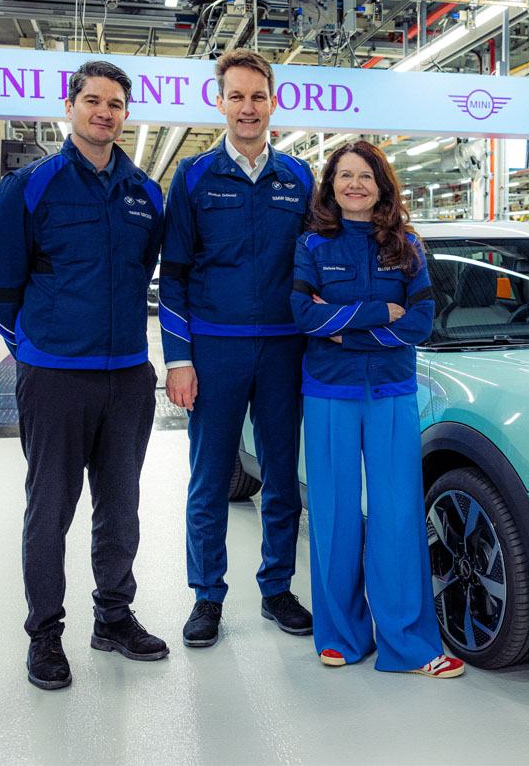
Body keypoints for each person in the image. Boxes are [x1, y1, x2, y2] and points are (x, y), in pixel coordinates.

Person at [0, 60, 168, 691]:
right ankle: (45, 634)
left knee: (120, 506)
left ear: (126, 114)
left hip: (127, 376)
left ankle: (113, 618)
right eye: (93, 100)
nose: (104, 112)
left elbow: (142, 270)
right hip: (56, 377)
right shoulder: (29, 186)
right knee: (50, 508)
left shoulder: (146, 193)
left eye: (115, 104)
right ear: (71, 106)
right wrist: (35, 352)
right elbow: (1, 286)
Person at [290, 141, 464, 679]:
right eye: (344, 176)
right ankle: (342, 634)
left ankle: (408, 644)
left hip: (391, 391)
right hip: (329, 392)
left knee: (398, 515)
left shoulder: (407, 247)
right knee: (334, 514)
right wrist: (378, 312)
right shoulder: (312, 245)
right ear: (330, 186)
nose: (355, 185)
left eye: (365, 176)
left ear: (382, 185)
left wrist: (345, 329)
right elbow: (303, 315)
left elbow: (419, 322)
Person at [159, 49, 315, 647]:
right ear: (220, 101)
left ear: (274, 102)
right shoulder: (193, 176)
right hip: (215, 351)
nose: (247, 107)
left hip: (283, 352)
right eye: (237, 96)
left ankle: (277, 589)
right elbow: (174, 275)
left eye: (257, 97)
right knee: (209, 479)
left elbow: (317, 264)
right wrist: (179, 359)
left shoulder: (299, 178)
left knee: (282, 479)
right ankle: (207, 596)